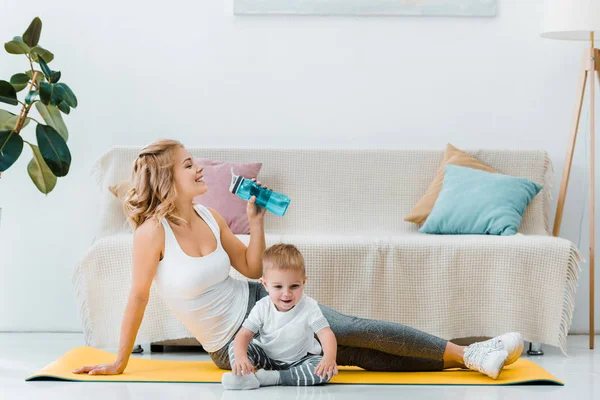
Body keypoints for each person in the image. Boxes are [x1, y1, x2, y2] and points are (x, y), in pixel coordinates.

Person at [73, 139, 524, 381]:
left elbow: (251, 270)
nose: (199, 168)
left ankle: (471, 356)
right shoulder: (153, 231)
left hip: (260, 300)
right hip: (236, 343)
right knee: (351, 351)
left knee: (353, 330)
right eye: (188, 164)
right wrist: (119, 361)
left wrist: (257, 221)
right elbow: (136, 295)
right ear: (168, 176)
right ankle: (469, 356)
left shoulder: (208, 216)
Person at [222, 243, 338, 390]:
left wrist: (329, 357)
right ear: (265, 285)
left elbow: (325, 333)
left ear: (303, 282)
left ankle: (274, 378)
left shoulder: (309, 306)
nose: (286, 293)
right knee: (236, 346)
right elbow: (244, 335)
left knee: (324, 372)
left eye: (294, 286)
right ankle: (244, 377)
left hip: (300, 360)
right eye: (278, 287)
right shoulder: (262, 307)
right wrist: (241, 357)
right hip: (266, 357)